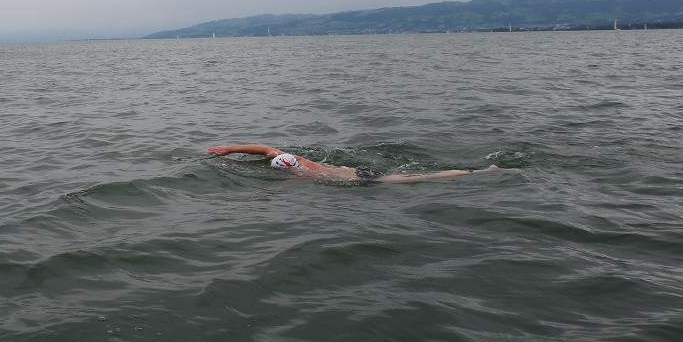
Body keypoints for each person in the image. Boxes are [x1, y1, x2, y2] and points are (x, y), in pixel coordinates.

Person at [207, 143, 498, 183]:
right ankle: (478, 170)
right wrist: (229, 149)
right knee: (416, 175)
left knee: (418, 179)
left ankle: (482, 171)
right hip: (354, 172)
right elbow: (262, 147)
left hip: (360, 180)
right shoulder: (302, 162)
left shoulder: (300, 176)